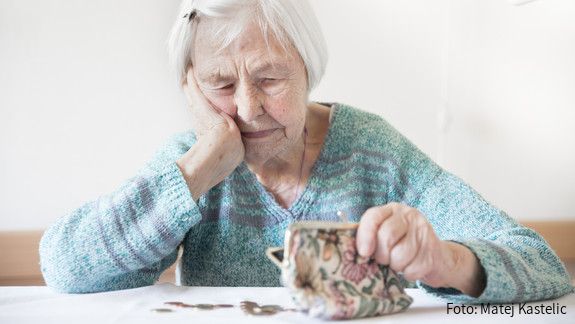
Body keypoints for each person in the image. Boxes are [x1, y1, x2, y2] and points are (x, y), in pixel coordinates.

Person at [40, 0, 573, 303]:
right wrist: (198, 171)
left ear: (308, 69)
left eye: (270, 78)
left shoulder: (373, 149)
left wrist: (447, 262)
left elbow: (544, 266)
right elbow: (63, 267)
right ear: (192, 88)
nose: (248, 109)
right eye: (220, 85)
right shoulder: (190, 166)